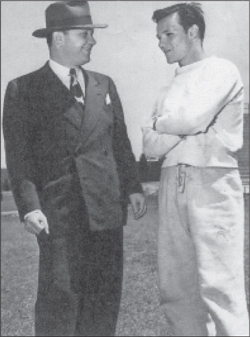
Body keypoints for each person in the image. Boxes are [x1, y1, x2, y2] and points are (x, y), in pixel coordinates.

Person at [3, 1, 146, 336]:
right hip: (59, 216)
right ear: (58, 38)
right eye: (85, 34)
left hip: (106, 213)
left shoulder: (104, 84)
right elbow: (18, 155)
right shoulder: (23, 89)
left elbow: (120, 143)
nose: (91, 41)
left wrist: (134, 186)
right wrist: (30, 206)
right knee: (60, 303)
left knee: (103, 302)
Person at [142, 2, 249, 336]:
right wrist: (177, 128)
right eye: (159, 36)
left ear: (193, 32)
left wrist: (163, 125)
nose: (161, 42)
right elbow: (150, 147)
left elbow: (192, 119)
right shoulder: (167, 88)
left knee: (220, 288)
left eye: (169, 34)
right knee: (176, 291)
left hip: (212, 182)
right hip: (171, 182)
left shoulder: (222, 71)